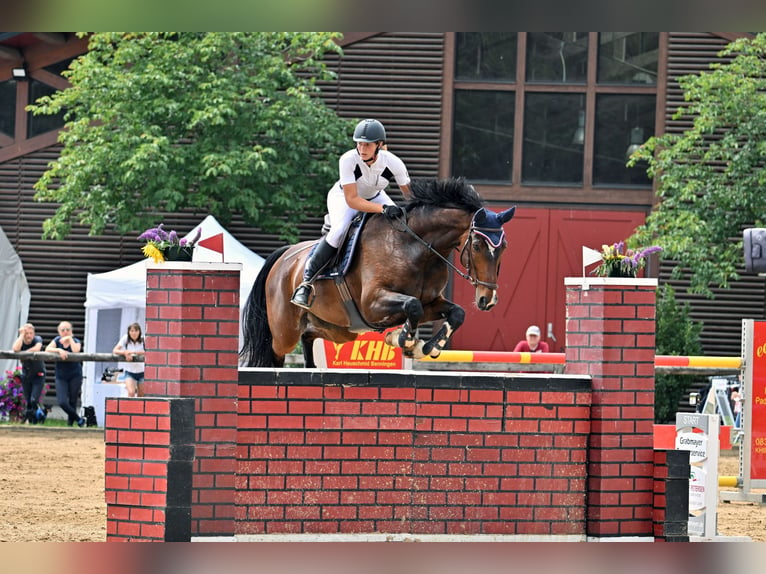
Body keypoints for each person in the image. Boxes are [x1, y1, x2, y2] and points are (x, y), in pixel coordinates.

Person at [291, 118, 412, 309]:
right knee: (338, 232)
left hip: (376, 196)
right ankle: (306, 283)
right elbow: (353, 200)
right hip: (344, 198)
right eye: (359, 143)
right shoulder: (348, 159)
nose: (362, 149)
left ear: (379, 145)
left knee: (402, 224)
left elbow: (409, 195)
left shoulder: (393, 163)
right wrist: (383, 209)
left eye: (367, 145)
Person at [46, 321, 85, 427]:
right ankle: (78, 419)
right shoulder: (57, 340)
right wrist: (59, 350)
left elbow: (76, 350)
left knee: (73, 400)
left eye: (68, 329)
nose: (65, 332)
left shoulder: (76, 340)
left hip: (75, 374)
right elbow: (47, 349)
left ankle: (70, 425)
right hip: (61, 375)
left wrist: (70, 339)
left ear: (71, 331)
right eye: (62, 330)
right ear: (59, 331)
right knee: (62, 401)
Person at [11, 323, 47, 424]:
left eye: (31, 333)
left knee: (34, 399)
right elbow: (15, 349)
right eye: (27, 333)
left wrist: (24, 354)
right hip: (26, 374)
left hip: (38, 374)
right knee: (28, 400)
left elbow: (37, 348)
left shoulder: (37, 339)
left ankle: (38, 416)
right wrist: (21, 336)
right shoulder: (21, 341)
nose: (29, 335)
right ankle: (32, 421)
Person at [112, 323, 145, 397]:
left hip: (142, 371)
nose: (134, 333)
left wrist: (133, 352)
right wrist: (125, 353)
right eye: (132, 331)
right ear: (129, 332)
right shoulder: (125, 338)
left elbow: (150, 352)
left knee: (141, 395)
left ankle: (138, 408)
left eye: (136, 331)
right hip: (129, 371)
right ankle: (130, 408)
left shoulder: (144, 340)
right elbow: (115, 350)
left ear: (139, 332)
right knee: (131, 392)